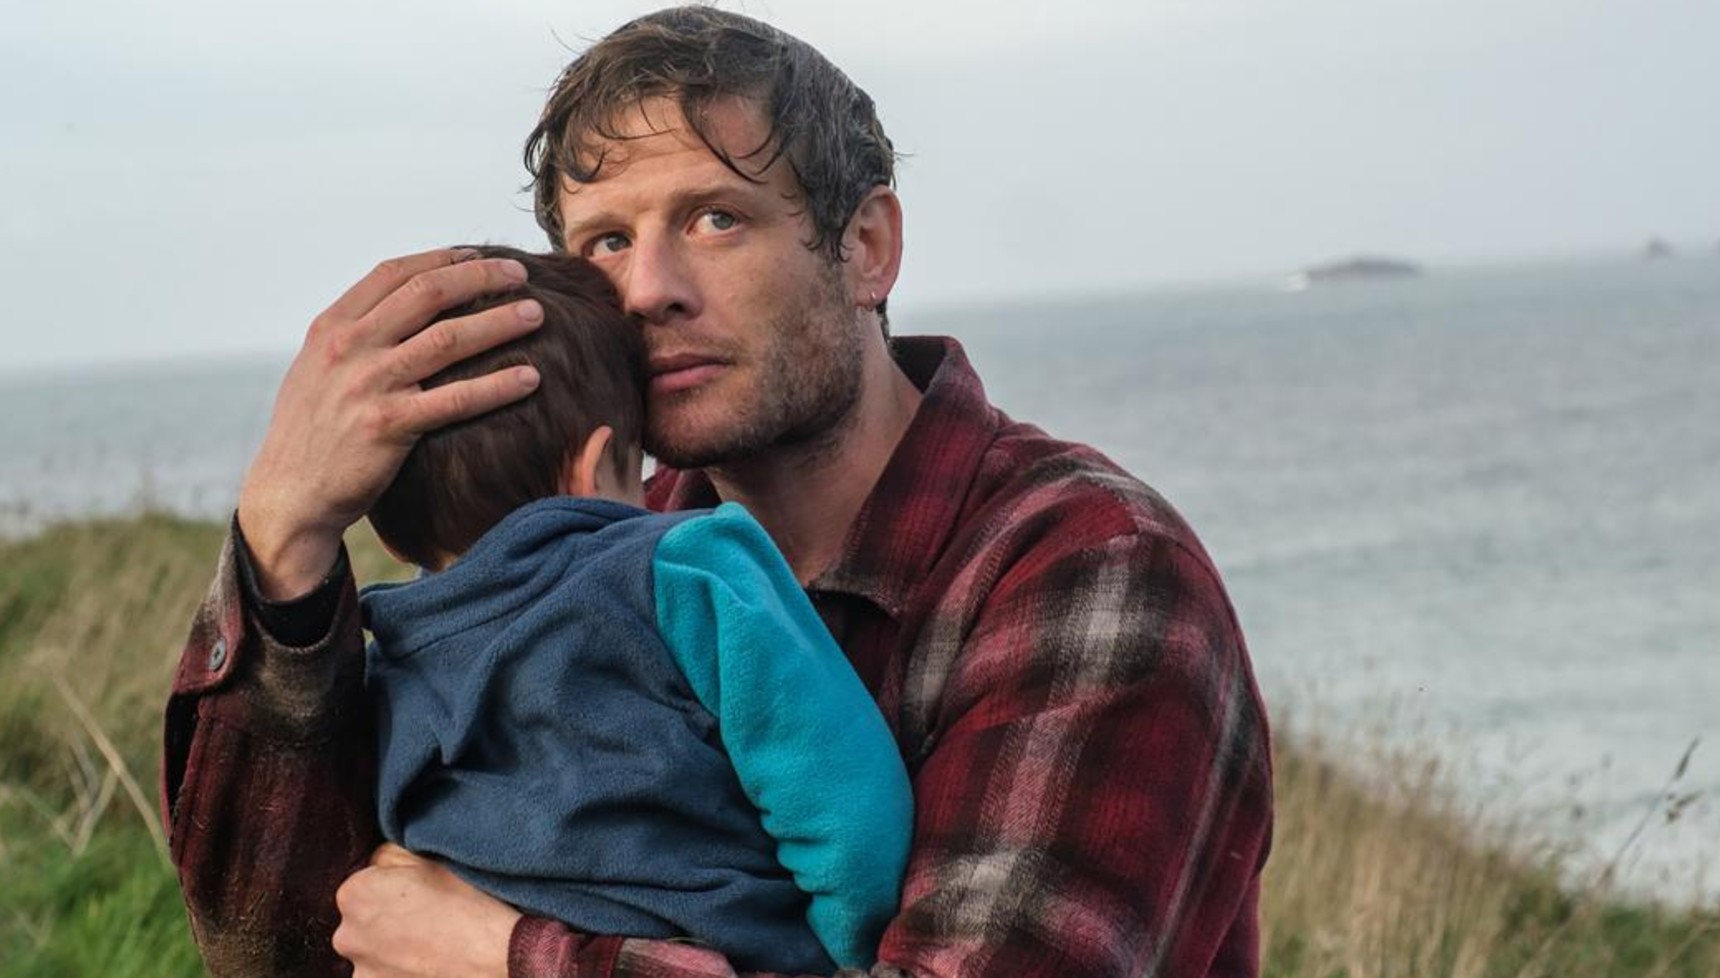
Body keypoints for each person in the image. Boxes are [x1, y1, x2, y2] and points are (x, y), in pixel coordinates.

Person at [160, 6, 1274, 977]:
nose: (648, 290)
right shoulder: (581, 560)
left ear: (866, 249)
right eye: (604, 241)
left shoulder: (1087, 566)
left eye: (714, 218)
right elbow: (276, 950)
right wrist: (285, 542)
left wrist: (504, 957)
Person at [358, 246, 911, 974]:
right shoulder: (688, 566)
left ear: (390, 528)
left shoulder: (384, 661)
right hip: (732, 947)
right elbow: (848, 801)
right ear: (593, 469)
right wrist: (846, 946)